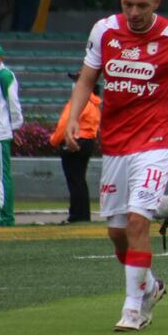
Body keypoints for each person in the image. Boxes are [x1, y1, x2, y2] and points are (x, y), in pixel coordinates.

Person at [65, 0, 168, 332]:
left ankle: (132, 309)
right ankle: (149, 286)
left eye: (142, 5)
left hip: (155, 143)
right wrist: (72, 118)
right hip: (114, 144)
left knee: (137, 221)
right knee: (117, 234)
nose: (134, 12)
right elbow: (87, 79)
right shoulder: (103, 31)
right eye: (128, 4)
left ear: (157, 3)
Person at [50, 72, 102, 223]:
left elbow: (65, 124)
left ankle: (77, 214)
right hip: (87, 141)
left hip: (75, 140)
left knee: (74, 179)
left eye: (77, 80)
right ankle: (82, 214)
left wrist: (54, 141)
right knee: (79, 179)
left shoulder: (80, 101)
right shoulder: (94, 102)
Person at [0, 43, 23, 227]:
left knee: (0, 178)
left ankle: (2, 217)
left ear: (1, 59)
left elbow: (14, 104)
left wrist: (15, 127)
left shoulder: (5, 76)